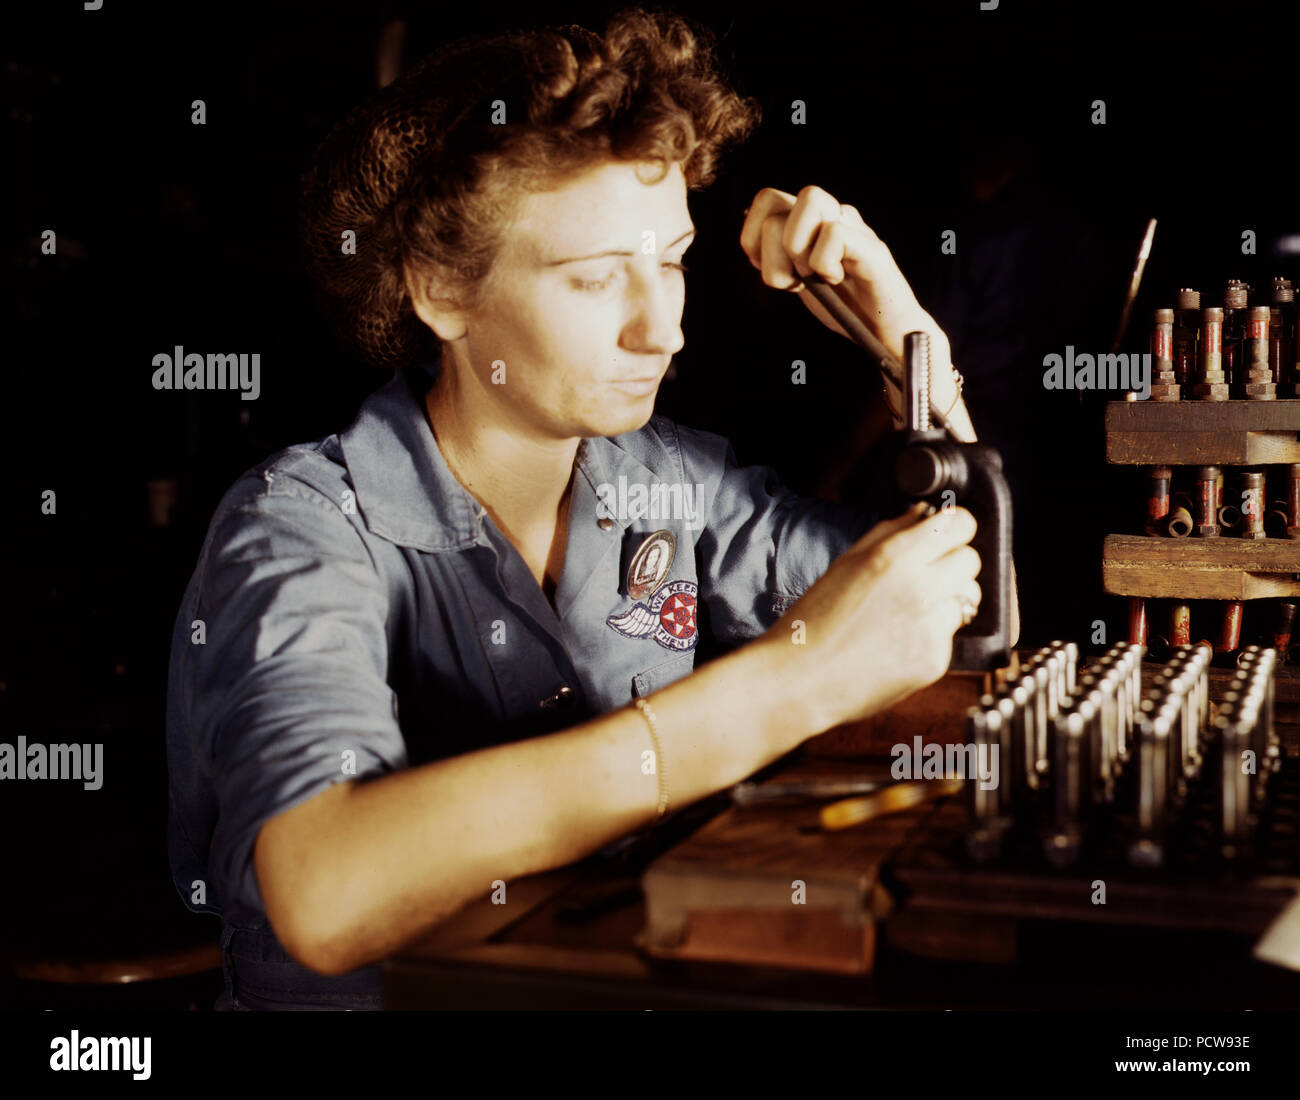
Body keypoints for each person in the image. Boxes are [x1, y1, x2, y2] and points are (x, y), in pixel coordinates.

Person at [165, 6, 1014, 1011]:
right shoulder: (297, 527)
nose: (664, 329)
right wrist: (792, 684)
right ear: (441, 289)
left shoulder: (677, 485)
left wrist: (909, 347)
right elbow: (324, 888)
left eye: (672, 260)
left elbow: (964, 634)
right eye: (595, 277)